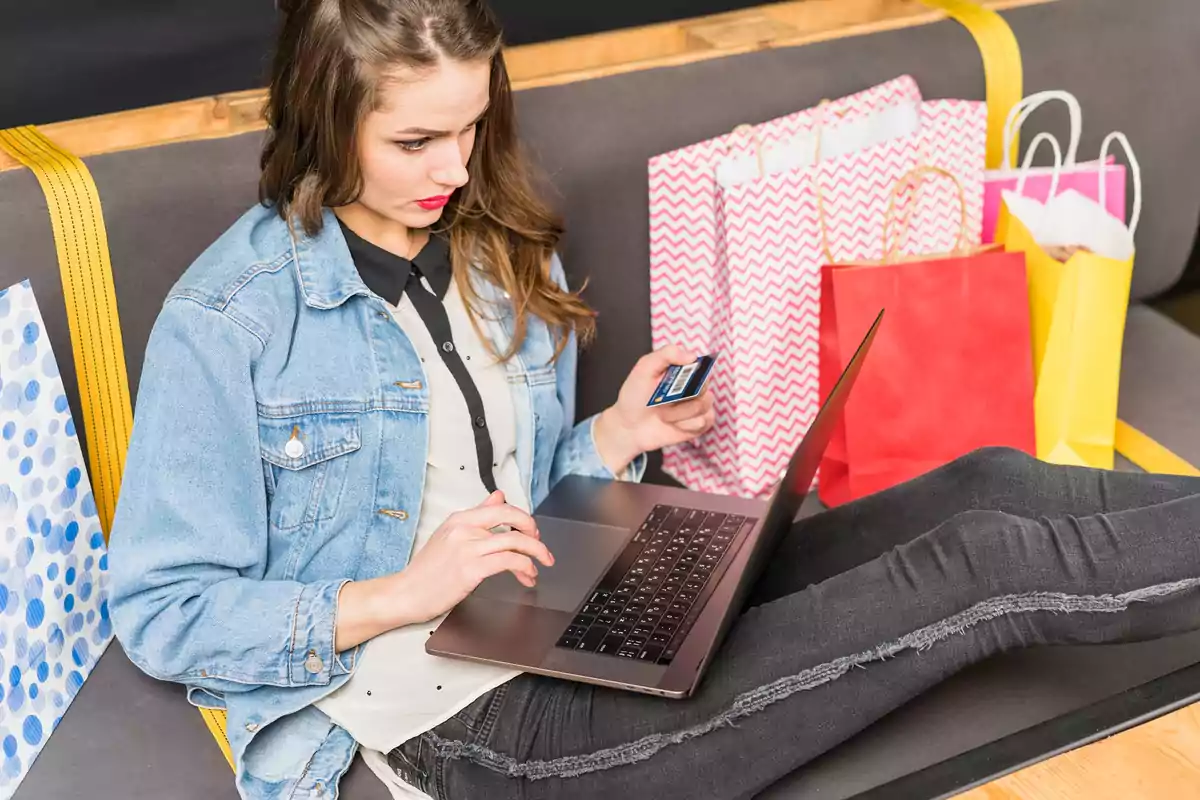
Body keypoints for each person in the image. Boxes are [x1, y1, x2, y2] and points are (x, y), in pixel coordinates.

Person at [107, 1, 1200, 799]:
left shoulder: (484, 249)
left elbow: (508, 497)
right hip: (449, 724)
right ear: (322, 114)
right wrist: (400, 590)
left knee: (984, 484)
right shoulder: (231, 320)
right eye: (415, 141)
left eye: (473, 126)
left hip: (560, 600)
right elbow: (163, 612)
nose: (455, 166)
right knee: (984, 567)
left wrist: (615, 437)